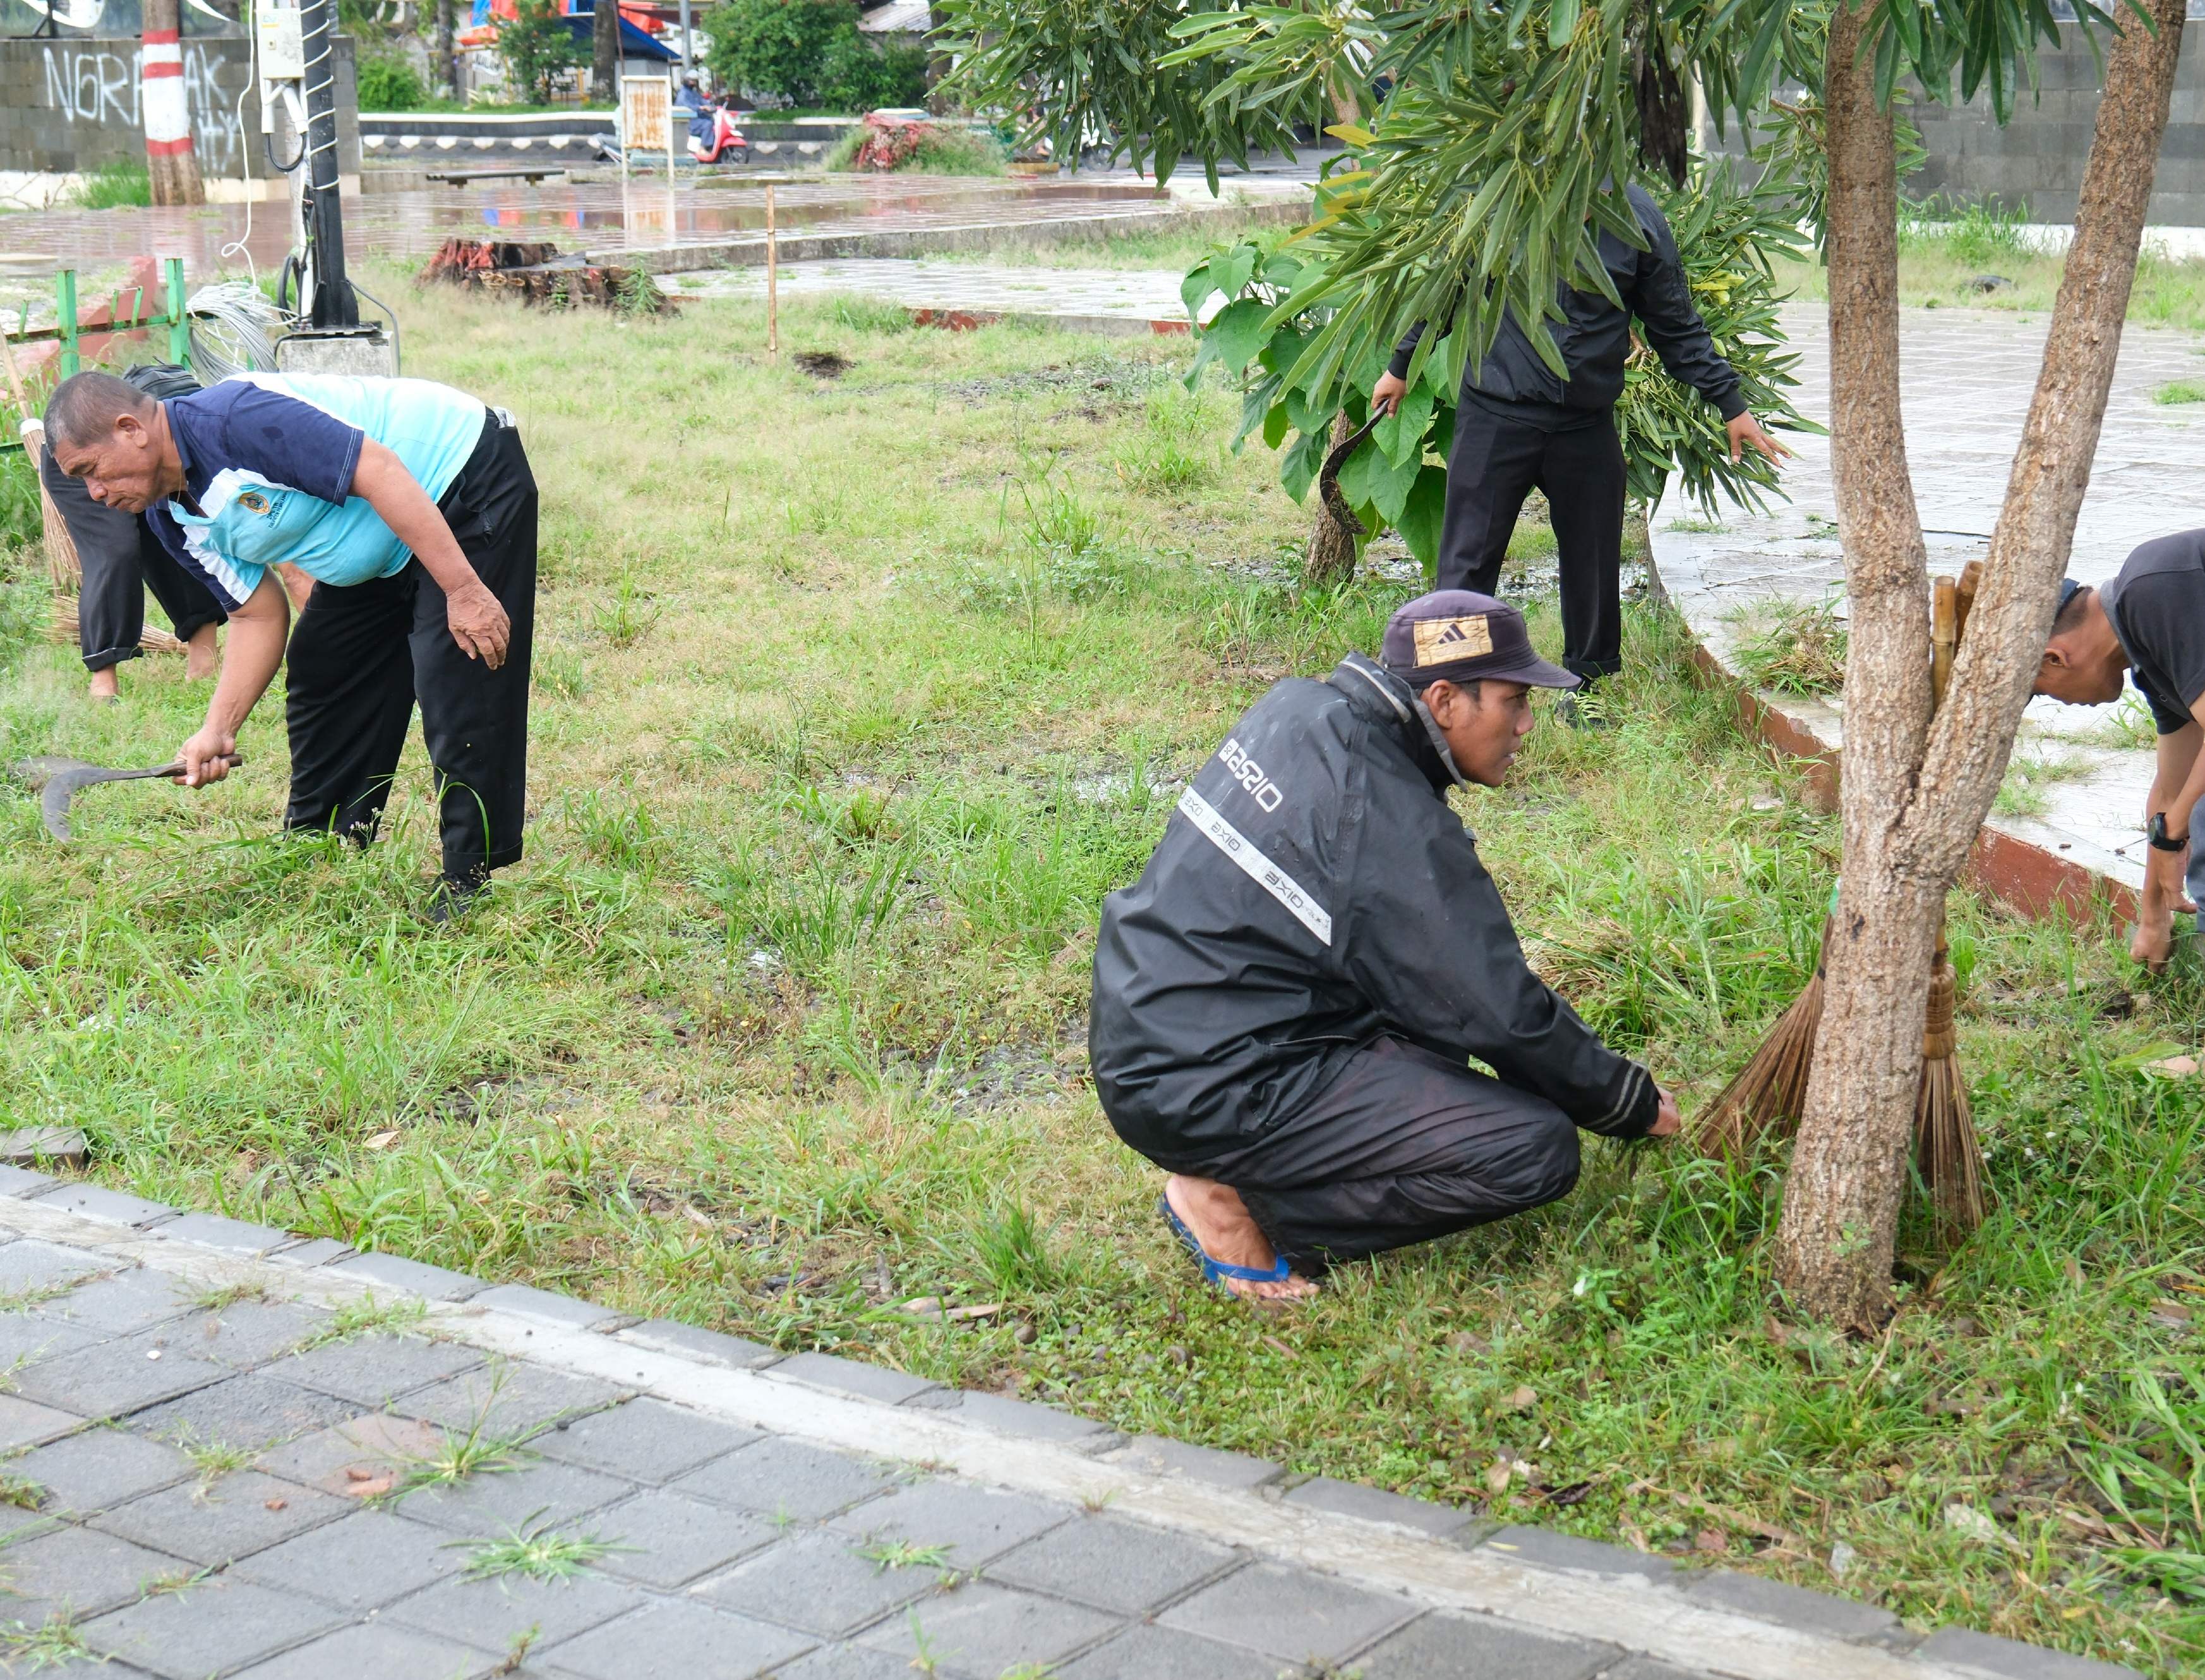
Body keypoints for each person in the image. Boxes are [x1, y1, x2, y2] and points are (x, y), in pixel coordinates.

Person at [1089, 591, 1681, 1304]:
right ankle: (1235, 1201)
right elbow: (1497, 1010)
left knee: (1429, 1027)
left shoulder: (1299, 710)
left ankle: (1236, 1170)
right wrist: (1625, 1100)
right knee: (1532, 1149)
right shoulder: (1382, 815)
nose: (1525, 725)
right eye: (1512, 700)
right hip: (1211, 1082)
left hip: (1149, 1029)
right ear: (1442, 699)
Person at [43, 369, 537, 920]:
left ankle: (468, 876)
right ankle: (322, 845)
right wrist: (217, 730)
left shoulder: (234, 422)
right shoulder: (171, 515)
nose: (95, 493)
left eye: (91, 471)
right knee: (324, 672)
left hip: (458, 480)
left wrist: (464, 588)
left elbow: (379, 470)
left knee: (457, 680)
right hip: (380, 540)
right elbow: (256, 613)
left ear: (131, 428)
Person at [1371, 184, 1789, 700]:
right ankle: (1449, 683)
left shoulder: (1638, 221)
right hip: (1496, 413)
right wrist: (1400, 365)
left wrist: (1730, 403)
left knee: (1593, 558)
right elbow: (1445, 288)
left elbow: (1673, 322)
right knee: (1467, 559)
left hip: (1584, 423)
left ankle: (1588, 687)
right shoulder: (1503, 197)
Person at [2034, 546, 2205, 968]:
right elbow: (2171, 786)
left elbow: (2175, 815)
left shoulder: (2148, 589)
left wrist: (2175, 830)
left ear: (2053, 658)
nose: (2058, 701)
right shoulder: (2148, 659)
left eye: (2040, 690)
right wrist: (2152, 917)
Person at [35, 363, 224, 702]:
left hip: (141, 457)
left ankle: (204, 659)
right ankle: (104, 677)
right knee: (116, 549)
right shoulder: (120, 435)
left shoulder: (198, 427)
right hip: (82, 462)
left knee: (177, 534)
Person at [676, 72, 712, 150]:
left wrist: (710, 106)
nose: (694, 83)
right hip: (690, 121)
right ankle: (703, 148)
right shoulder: (683, 93)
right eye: (692, 81)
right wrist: (700, 108)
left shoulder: (693, 92)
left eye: (695, 81)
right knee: (708, 124)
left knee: (712, 120)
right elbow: (687, 106)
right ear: (687, 80)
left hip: (697, 117)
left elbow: (702, 100)